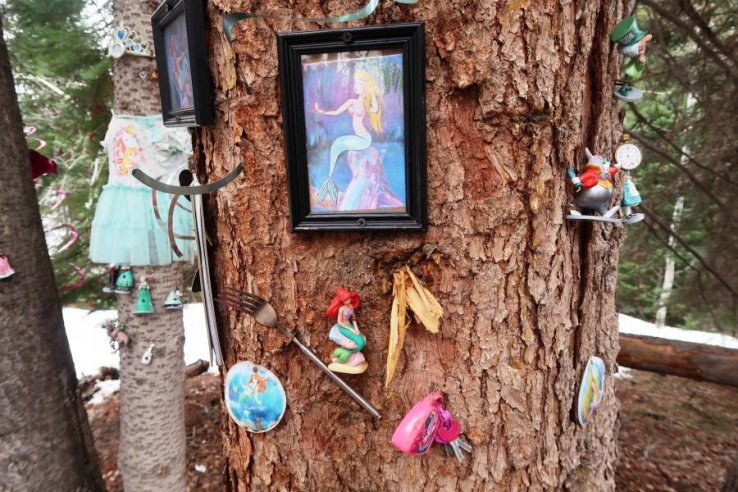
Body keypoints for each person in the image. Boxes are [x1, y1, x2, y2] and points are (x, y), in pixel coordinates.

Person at [314, 69, 382, 205]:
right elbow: (336, 111)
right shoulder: (352, 101)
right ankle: (329, 180)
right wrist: (321, 111)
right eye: (355, 83)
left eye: (359, 84)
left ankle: (333, 183)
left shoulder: (366, 104)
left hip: (364, 139)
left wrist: (372, 93)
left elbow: (375, 109)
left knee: (340, 145)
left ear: (365, 86)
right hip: (359, 139)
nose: (356, 86)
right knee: (336, 145)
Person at [326, 288, 368, 374]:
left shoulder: (351, 306)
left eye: (348, 298)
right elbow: (339, 322)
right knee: (360, 343)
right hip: (343, 327)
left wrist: (356, 329)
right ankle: (346, 354)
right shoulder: (341, 309)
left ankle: (346, 353)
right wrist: (350, 329)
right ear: (342, 301)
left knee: (362, 341)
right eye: (345, 300)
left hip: (350, 325)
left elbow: (354, 319)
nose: (348, 301)